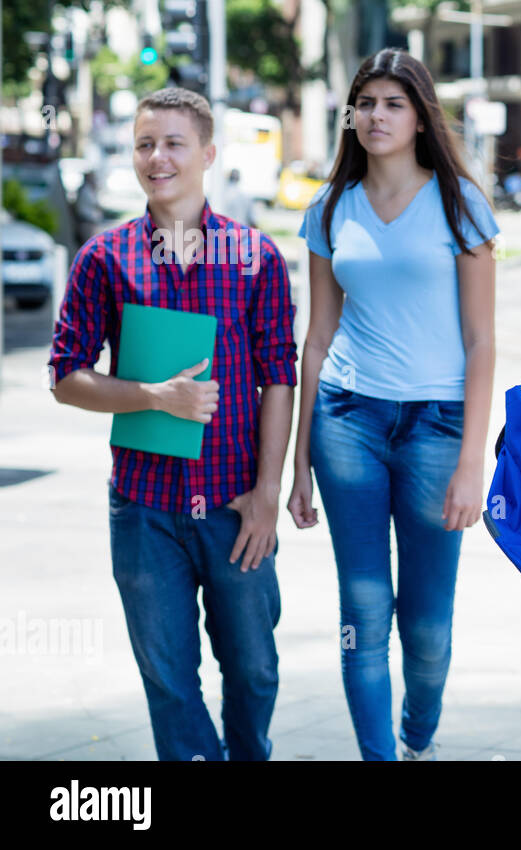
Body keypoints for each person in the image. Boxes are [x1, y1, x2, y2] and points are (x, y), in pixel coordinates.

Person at [48, 87, 297, 761]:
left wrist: (268, 494)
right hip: (144, 508)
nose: (157, 157)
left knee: (254, 671)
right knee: (168, 681)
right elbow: (66, 375)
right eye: (144, 144)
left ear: (208, 154)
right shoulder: (105, 259)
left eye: (174, 143)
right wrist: (154, 397)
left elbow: (280, 376)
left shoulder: (255, 259)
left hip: (235, 503)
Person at [288, 48, 498, 762]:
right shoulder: (328, 209)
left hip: (437, 430)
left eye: (393, 103)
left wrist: (474, 463)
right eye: (366, 103)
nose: (376, 116)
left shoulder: (460, 203)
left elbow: (481, 342)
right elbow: (314, 340)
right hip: (346, 422)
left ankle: (418, 737)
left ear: (419, 117)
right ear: (350, 115)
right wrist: (298, 467)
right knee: (364, 608)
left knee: (428, 629)